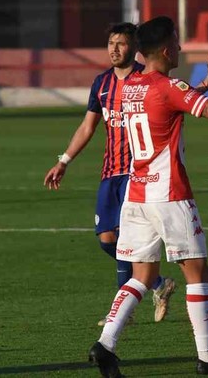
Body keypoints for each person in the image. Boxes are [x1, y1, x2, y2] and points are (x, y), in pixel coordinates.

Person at [88, 15, 208, 377]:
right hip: (169, 193)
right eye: (177, 42)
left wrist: (206, 85)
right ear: (167, 49)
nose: (181, 47)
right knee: (197, 271)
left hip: (136, 194)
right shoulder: (169, 86)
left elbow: (165, 102)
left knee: (141, 275)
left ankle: (105, 345)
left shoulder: (130, 85)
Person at [43, 23, 176, 326]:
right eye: (111, 43)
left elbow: (175, 99)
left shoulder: (146, 79)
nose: (114, 49)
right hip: (110, 173)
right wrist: (64, 161)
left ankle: (121, 313)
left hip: (137, 173)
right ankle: (158, 284)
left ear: (135, 48)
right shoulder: (101, 83)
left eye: (121, 43)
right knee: (107, 240)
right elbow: (88, 126)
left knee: (126, 240)